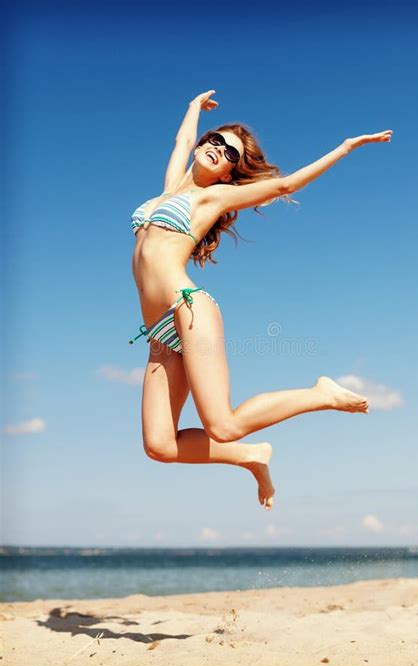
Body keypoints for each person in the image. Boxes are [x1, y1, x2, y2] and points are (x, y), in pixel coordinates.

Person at [130, 89, 393, 510]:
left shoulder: (213, 198)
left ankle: (320, 393)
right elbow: (180, 143)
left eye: (230, 154)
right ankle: (252, 456)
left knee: (224, 424)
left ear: (230, 174)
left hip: (188, 308)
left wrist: (347, 146)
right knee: (159, 445)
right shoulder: (169, 190)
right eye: (214, 141)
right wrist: (193, 109)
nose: (218, 150)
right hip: (158, 331)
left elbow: (285, 184)